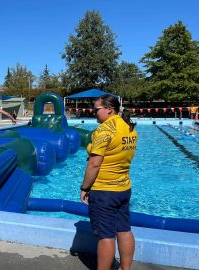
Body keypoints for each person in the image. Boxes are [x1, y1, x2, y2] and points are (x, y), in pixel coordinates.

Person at [79, 94, 138, 270]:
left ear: (109, 109)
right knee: (124, 230)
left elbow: (95, 163)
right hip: (124, 188)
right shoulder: (129, 127)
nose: (93, 113)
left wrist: (85, 187)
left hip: (104, 190)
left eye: (96, 109)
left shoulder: (104, 130)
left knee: (106, 236)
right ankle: (125, 268)